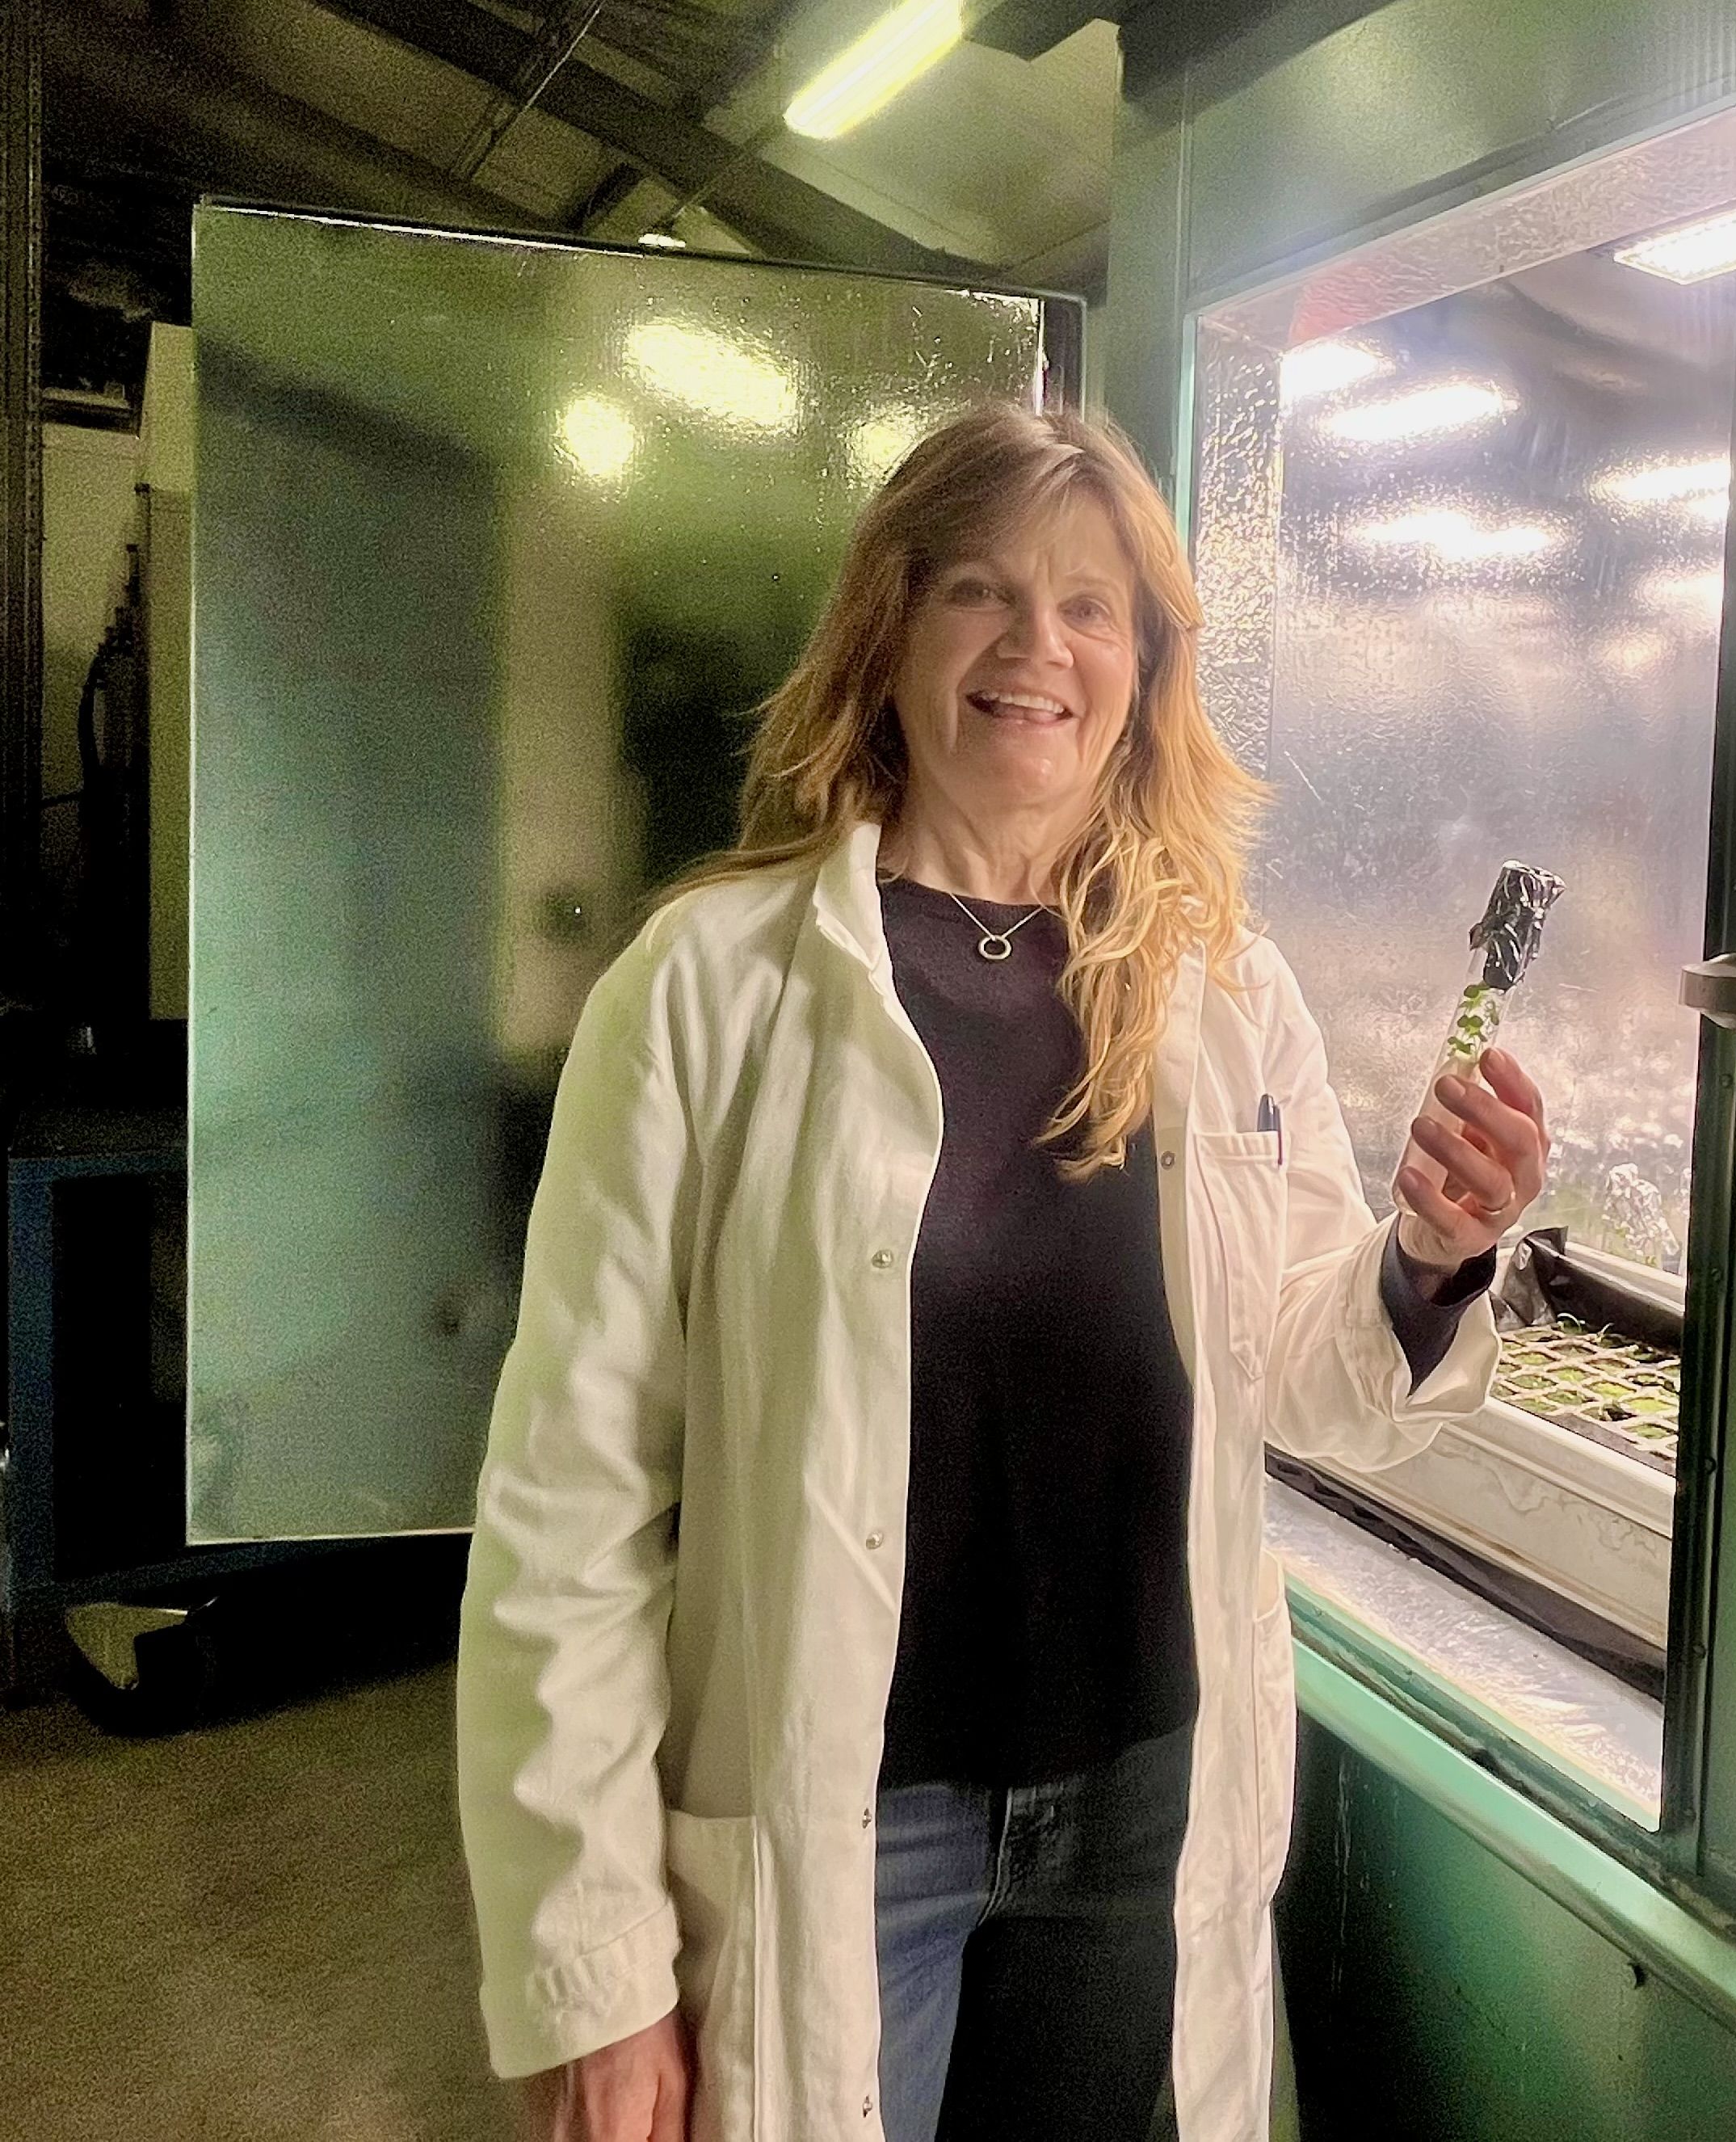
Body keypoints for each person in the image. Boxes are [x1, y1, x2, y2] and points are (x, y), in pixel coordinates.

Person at [455, 403, 1549, 2142]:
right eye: (980, 590)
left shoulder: (1215, 985)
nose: (1037, 645)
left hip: (1140, 1804)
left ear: (1142, 670)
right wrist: (600, 1970)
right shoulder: (707, 991)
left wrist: (1430, 1257)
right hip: (841, 1829)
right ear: (888, 634)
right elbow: (568, 1511)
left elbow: (1309, 1373)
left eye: (1091, 606)